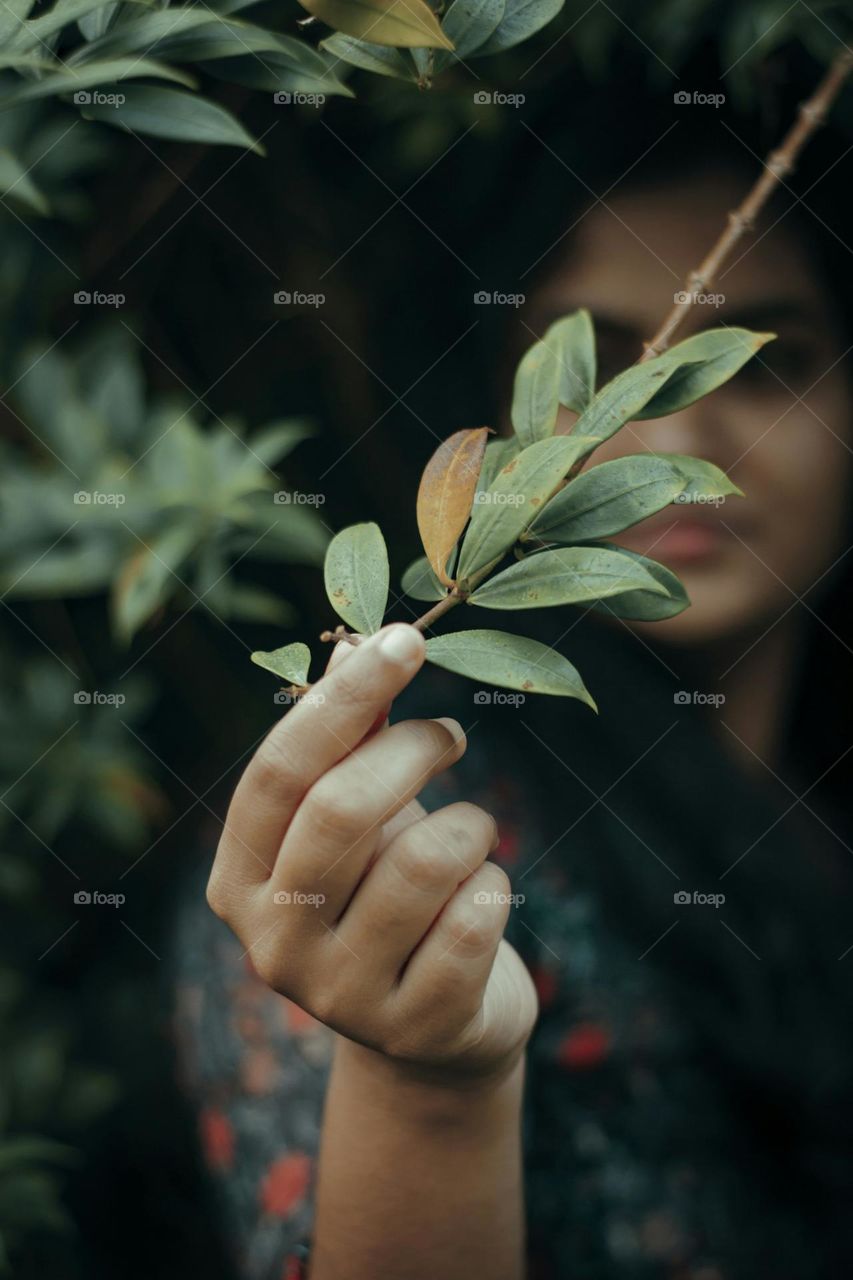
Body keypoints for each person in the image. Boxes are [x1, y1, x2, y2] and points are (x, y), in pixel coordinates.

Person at [173, 79, 853, 1280]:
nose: (675, 450)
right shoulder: (403, 837)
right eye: (585, 374)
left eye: (764, 360)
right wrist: (431, 1080)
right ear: (489, 403)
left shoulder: (809, 800)